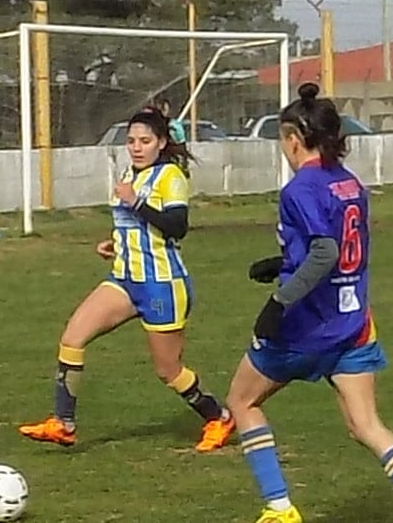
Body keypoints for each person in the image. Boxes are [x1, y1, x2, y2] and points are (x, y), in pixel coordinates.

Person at [224, 82, 393, 523]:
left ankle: (278, 507)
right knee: (366, 424)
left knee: (241, 401)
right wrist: (283, 261)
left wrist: (280, 298)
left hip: (306, 326)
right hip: (353, 323)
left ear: (293, 138)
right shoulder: (349, 182)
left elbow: (325, 251)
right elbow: (332, 246)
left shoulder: (300, 187)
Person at [19, 107, 234, 452]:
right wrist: (115, 242)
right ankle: (63, 424)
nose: (136, 147)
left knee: (168, 370)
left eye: (145, 141)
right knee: (72, 338)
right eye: (131, 140)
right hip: (124, 279)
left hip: (161, 284)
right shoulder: (129, 174)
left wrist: (135, 204)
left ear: (161, 143)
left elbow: (177, 227)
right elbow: (134, 225)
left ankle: (218, 417)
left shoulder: (170, 177)